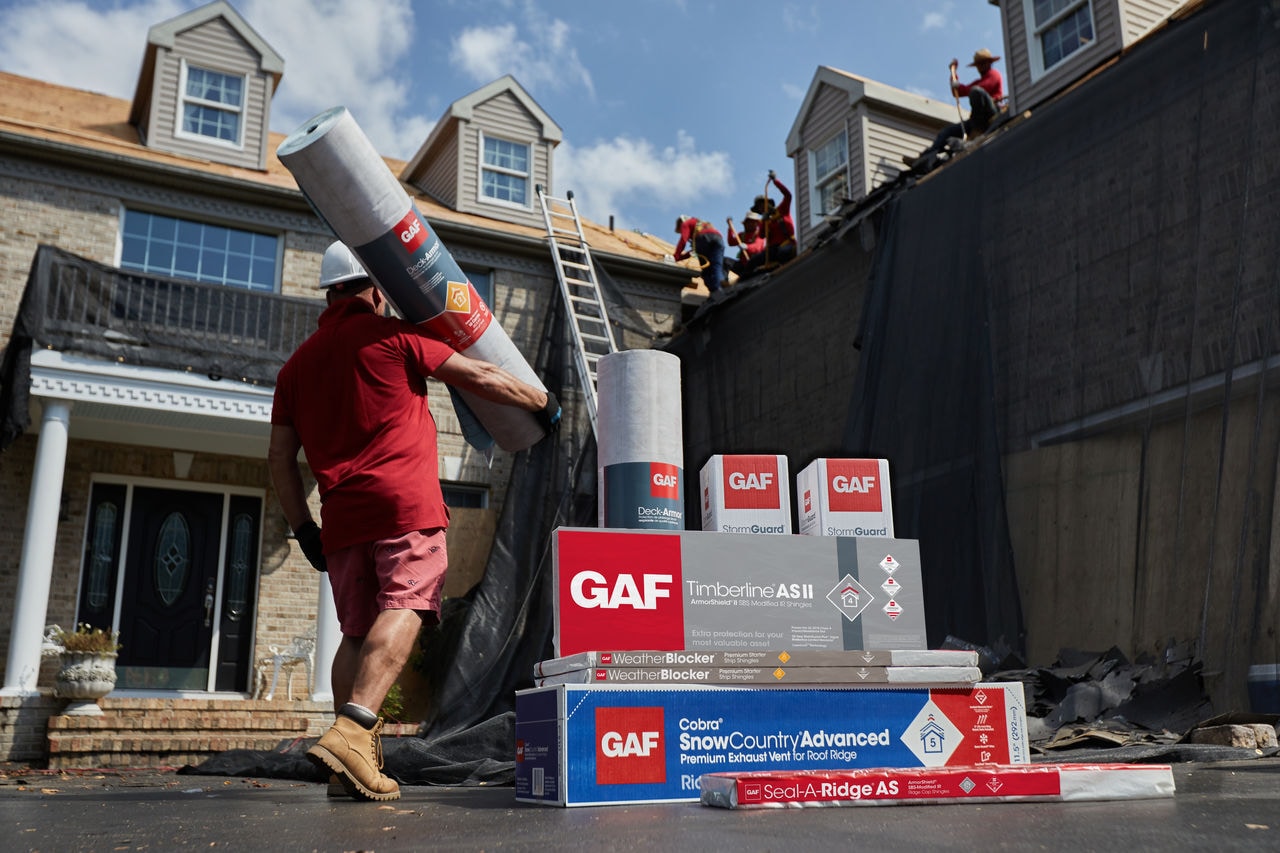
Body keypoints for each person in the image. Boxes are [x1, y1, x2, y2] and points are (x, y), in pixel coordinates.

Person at [268, 241, 560, 802]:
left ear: (329, 295)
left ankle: (349, 766)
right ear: (376, 292)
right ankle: (353, 733)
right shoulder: (396, 337)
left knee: (355, 633)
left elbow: (280, 458)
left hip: (341, 518)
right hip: (405, 506)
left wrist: (303, 528)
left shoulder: (294, 369)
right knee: (406, 602)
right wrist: (540, 400)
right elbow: (479, 375)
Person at [905, 48, 1005, 168]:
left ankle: (979, 129)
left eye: (983, 63)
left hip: (991, 115)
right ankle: (924, 159)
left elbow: (981, 87)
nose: (980, 66)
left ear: (989, 63)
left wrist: (961, 87)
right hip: (976, 120)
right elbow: (958, 91)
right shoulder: (979, 81)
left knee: (976, 92)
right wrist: (954, 74)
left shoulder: (994, 75)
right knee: (947, 132)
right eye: (979, 64)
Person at [673, 215, 726, 293]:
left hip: (704, 238)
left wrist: (675, 256)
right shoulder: (702, 224)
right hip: (718, 238)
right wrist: (679, 258)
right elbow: (693, 252)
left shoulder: (686, 223)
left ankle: (716, 293)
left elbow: (683, 240)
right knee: (716, 267)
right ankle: (723, 290)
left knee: (706, 272)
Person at [758, 171, 796, 267]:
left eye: (763, 205)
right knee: (756, 260)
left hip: (787, 244)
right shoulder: (765, 222)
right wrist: (764, 221)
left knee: (782, 253)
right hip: (773, 250)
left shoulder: (782, 210)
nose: (763, 208)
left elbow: (788, 195)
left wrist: (775, 181)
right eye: (760, 209)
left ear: (769, 203)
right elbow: (761, 235)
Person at [725, 211, 767, 279]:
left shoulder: (759, 234)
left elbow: (757, 248)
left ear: (757, 223)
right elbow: (731, 242)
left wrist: (747, 247)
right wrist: (730, 228)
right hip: (743, 265)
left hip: (755, 265)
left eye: (753, 222)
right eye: (748, 222)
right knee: (725, 261)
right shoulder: (742, 235)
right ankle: (725, 281)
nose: (750, 224)